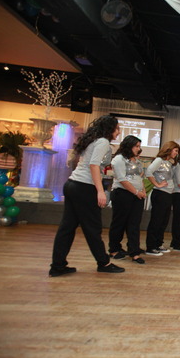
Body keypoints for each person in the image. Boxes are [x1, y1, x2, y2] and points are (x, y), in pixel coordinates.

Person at [49, 115, 125, 277]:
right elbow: (93, 165)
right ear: (110, 129)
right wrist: (100, 191)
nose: (119, 132)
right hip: (84, 188)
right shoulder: (103, 142)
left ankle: (57, 266)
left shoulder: (93, 140)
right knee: (92, 228)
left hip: (72, 185)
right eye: (117, 128)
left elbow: (87, 164)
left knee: (67, 228)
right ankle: (104, 262)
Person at [108, 135, 146, 264]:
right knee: (119, 222)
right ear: (128, 146)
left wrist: (142, 191)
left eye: (139, 146)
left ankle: (134, 251)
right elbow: (122, 179)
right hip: (122, 194)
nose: (138, 149)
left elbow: (140, 177)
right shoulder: (119, 159)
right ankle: (114, 249)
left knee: (134, 224)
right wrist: (136, 192)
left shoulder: (136, 160)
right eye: (136, 146)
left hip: (137, 196)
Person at [145, 141, 180, 256]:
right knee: (157, 220)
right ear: (169, 149)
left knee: (163, 221)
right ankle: (150, 247)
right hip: (160, 193)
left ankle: (158, 244)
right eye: (175, 150)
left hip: (167, 194)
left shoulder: (168, 163)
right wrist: (157, 184)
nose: (176, 153)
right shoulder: (159, 160)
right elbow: (149, 171)